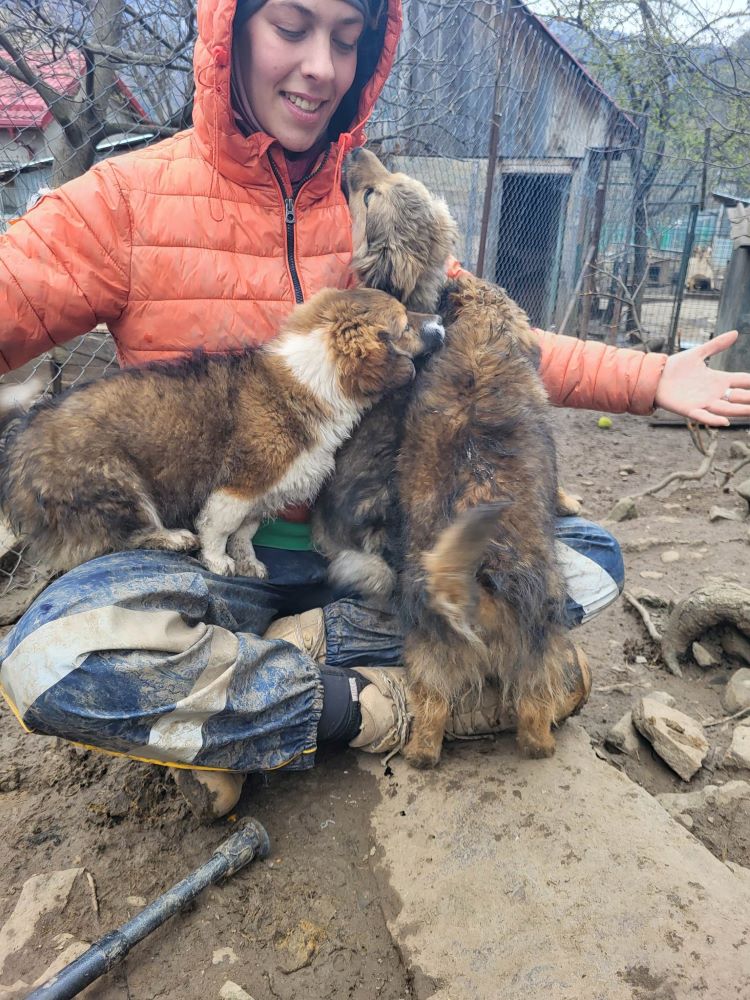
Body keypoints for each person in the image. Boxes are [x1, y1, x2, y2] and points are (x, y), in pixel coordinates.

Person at [1, 0, 749, 822]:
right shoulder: (124, 201)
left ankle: (252, 691)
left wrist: (649, 379)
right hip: (212, 559)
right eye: (291, 28)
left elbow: (494, 335)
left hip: (378, 549)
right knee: (48, 657)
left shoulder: (382, 222)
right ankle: (372, 705)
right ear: (229, 30)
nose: (321, 65)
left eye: (348, 40)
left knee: (590, 558)